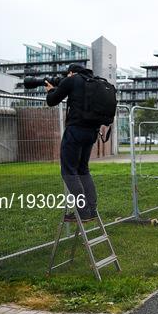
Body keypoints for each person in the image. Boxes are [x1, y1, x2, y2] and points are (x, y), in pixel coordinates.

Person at [45, 64, 103, 222]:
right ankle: (92, 210)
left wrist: (50, 89)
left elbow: (52, 101)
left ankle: (83, 213)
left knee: (69, 171)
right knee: (83, 170)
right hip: (92, 132)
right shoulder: (95, 82)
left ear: (71, 72)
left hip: (76, 131)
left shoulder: (72, 80)